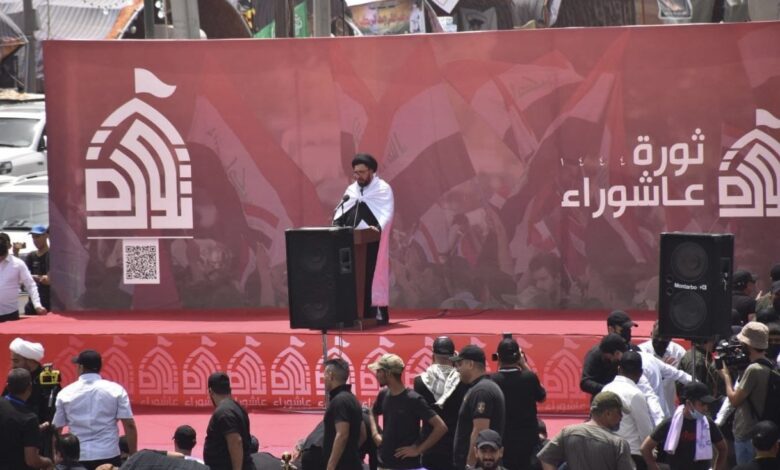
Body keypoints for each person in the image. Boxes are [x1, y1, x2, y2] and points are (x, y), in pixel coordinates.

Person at [333, 153, 394, 324]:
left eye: (362, 172)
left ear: (371, 171)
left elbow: (386, 214)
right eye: (355, 172)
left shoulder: (382, 189)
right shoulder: (351, 190)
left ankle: (374, 314)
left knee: (371, 276)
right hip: (351, 243)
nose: (358, 176)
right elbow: (342, 210)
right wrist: (337, 224)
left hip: (371, 243)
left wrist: (377, 228)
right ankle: (351, 314)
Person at [52, 350, 137, 470]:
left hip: (77, 456)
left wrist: (54, 456)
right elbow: (129, 425)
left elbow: (57, 429)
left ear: (81, 367)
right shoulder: (116, 390)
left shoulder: (65, 393)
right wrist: (133, 456)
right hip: (108, 453)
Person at [368, 353, 447, 469]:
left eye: (379, 371)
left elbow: (441, 427)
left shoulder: (413, 399)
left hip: (407, 465)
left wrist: (418, 449)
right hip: (384, 464)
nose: (376, 375)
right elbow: (373, 411)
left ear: (388, 373)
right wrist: (375, 434)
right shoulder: (383, 394)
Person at [719, 321, 774, 464]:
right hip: (760, 430)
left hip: (747, 433)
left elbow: (734, 400)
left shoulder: (753, 370)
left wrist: (726, 377)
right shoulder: (769, 365)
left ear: (748, 344)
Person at [536, 391, 634, 470]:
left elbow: (546, 458)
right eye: (619, 413)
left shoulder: (568, 432)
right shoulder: (618, 444)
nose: (621, 417)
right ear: (607, 413)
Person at [640, 382, 727, 470]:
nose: (705, 408)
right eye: (702, 404)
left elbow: (723, 448)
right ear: (689, 403)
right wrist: (654, 467)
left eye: (706, 405)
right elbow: (645, 448)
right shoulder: (671, 424)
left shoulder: (707, 424)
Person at [490, 336, 546, 470]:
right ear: (518, 357)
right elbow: (542, 397)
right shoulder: (529, 377)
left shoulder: (492, 380)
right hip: (528, 440)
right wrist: (524, 364)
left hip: (503, 440)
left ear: (498, 357)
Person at [413, 336, 468, 470]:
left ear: (432, 356)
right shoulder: (462, 381)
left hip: (429, 444)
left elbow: (416, 417)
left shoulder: (420, 382)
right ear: (454, 357)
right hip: (455, 445)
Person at [451, 345, 505, 470]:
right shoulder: (480, 387)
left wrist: (470, 465)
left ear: (470, 364)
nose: (457, 369)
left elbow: (480, 431)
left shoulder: (481, 391)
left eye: (460, 364)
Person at [6, 337, 61, 456]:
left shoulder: (48, 380)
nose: (13, 365)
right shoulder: (15, 378)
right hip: (15, 439)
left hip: (41, 443)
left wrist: (44, 425)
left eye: (16, 361)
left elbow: (56, 413)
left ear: (30, 361)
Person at [602, 351, 654, 470]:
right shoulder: (635, 394)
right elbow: (645, 429)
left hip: (606, 451)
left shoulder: (605, 389)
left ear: (619, 369)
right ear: (640, 373)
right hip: (632, 455)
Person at [0, 368, 54, 470]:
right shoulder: (29, 418)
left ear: (7, 386)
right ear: (30, 387)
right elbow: (32, 460)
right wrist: (48, 462)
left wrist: (34, 431)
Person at [203, 372, 253, 470]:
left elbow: (236, 441)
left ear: (210, 391)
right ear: (229, 389)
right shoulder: (237, 407)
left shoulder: (224, 412)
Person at [322, 358, 363, 470]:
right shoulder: (352, 398)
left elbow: (342, 434)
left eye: (324, 374)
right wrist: (350, 451)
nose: (323, 378)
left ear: (330, 375)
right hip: (353, 463)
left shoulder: (339, 401)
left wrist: (331, 465)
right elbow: (363, 434)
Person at [638, 321, 686, 413]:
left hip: (669, 408)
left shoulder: (678, 352)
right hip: (646, 409)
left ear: (670, 338)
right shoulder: (641, 352)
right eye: (657, 336)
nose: (660, 340)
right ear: (651, 334)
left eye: (664, 337)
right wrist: (661, 371)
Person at [0, 231, 46, 321]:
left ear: (8, 247)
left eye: (2, 256)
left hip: (9, 314)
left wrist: (37, 305)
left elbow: (30, 285)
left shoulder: (18, 264)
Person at [678, 337, 725, 418]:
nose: (715, 343)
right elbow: (694, 392)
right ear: (705, 341)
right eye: (713, 339)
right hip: (698, 411)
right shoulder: (697, 361)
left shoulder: (702, 357)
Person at [580, 333, 629, 399]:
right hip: (602, 397)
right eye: (617, 354)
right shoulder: (594, 355)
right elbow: (585, 383)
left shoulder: (624, 355)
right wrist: (607, 389)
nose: (619, 358)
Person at [24, 225, 50, 314]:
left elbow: (49, 280)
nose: (35, 240)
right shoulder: (30, 256)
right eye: (33, 237)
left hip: (49, 302)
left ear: (46, 236)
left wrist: (32, 278)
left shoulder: (52, 255)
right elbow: (23, 276)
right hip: (33, 302)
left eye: (37, 236)